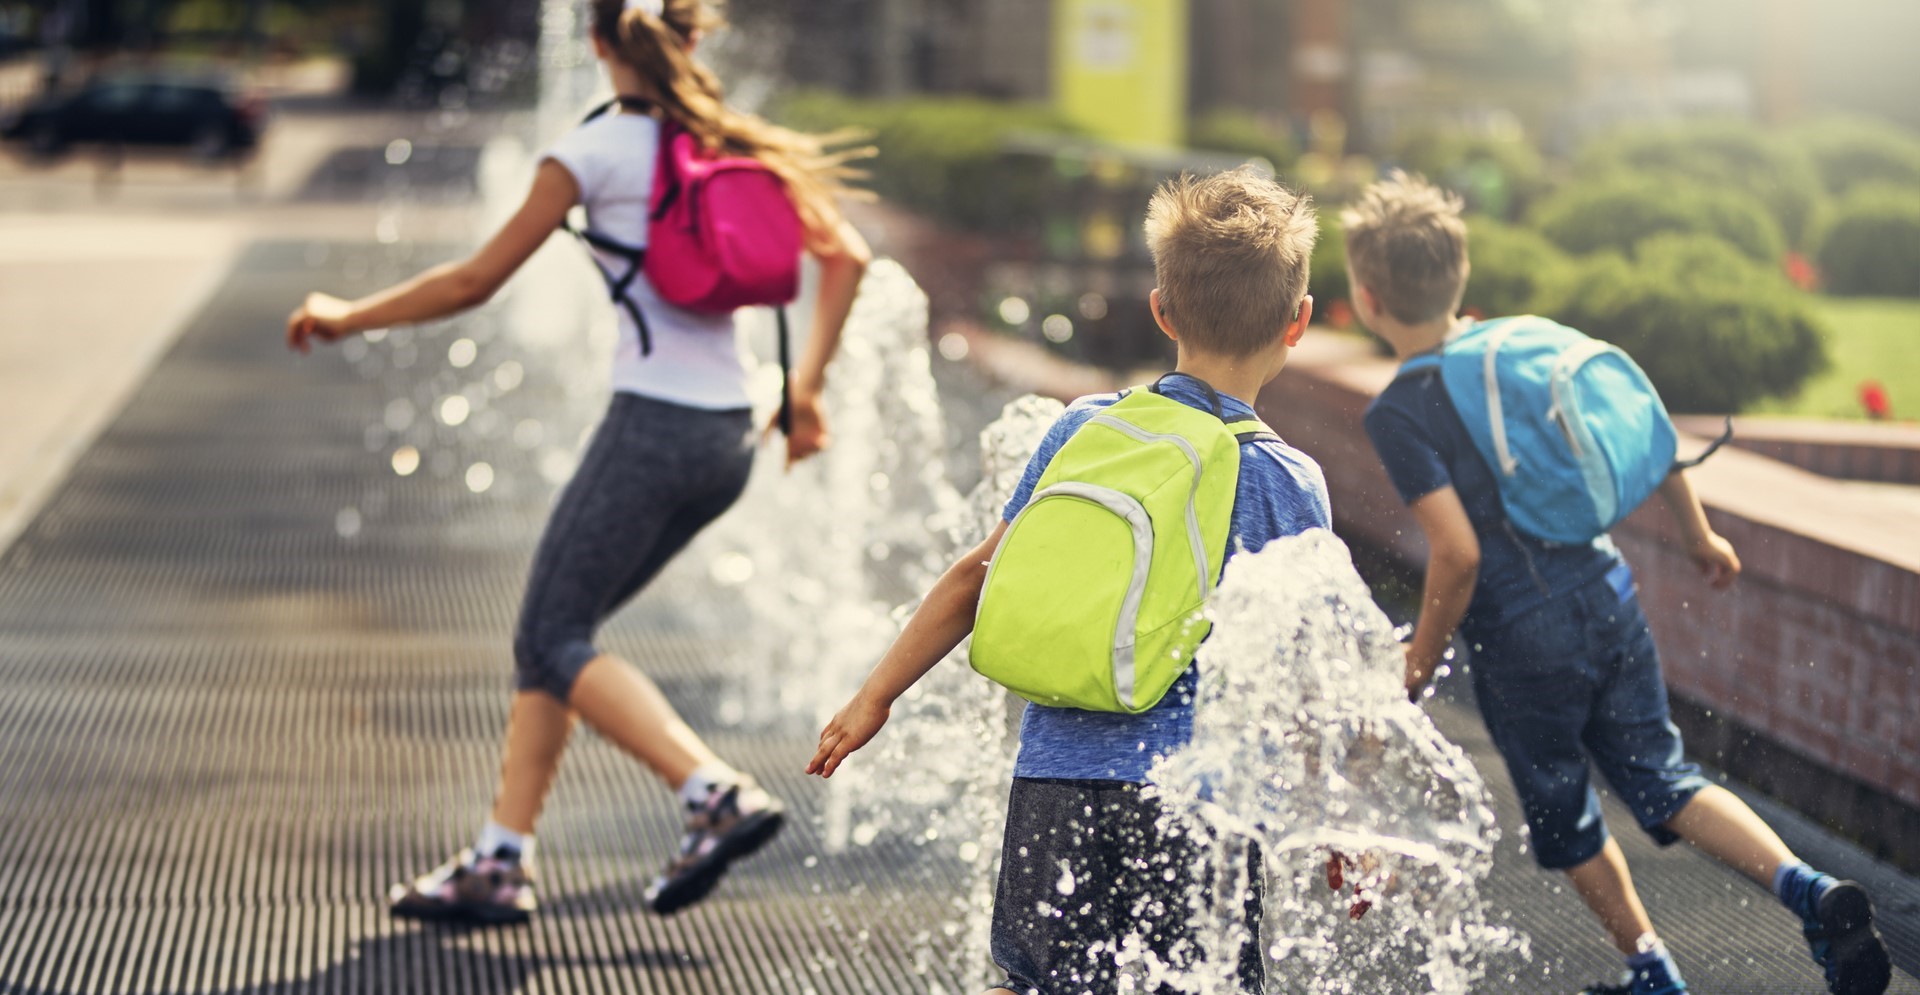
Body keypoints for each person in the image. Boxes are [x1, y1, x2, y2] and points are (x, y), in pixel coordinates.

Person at [285, 0, 871, 923]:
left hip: (652, 428)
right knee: (556, 638)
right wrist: (803, 391)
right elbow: (849, 259)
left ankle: (710, 792)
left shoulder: (592, 153)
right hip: (726, 438)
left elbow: (474, 281)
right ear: (689, 39)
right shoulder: (733, 142)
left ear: (597, 42)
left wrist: (345, 312)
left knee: (551, 638)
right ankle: (499, 857)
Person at [1345, 172, 1891, 995]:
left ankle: (1652, 970)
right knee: (1666, 781)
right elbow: (1643, 422)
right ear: (1461, 277)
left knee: (1566, 815)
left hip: (1525, 638)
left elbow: (1456, 554)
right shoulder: (1517, 347)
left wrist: (1418, 660)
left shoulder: (1401, 410)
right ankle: (1806, 887)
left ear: (1365, 294)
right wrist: (1698, 532)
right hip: (1606, 589)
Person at [808, 167, 1330, 994]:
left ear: (1161, 310)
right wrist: (1333, 818)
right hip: (1196, 802)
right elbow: (1310, 672)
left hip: (1055, 779)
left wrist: (877, 693)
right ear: (1298, 323)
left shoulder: (1086, 426)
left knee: (1037, 982)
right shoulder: (1286, 478)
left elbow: (974, 577)